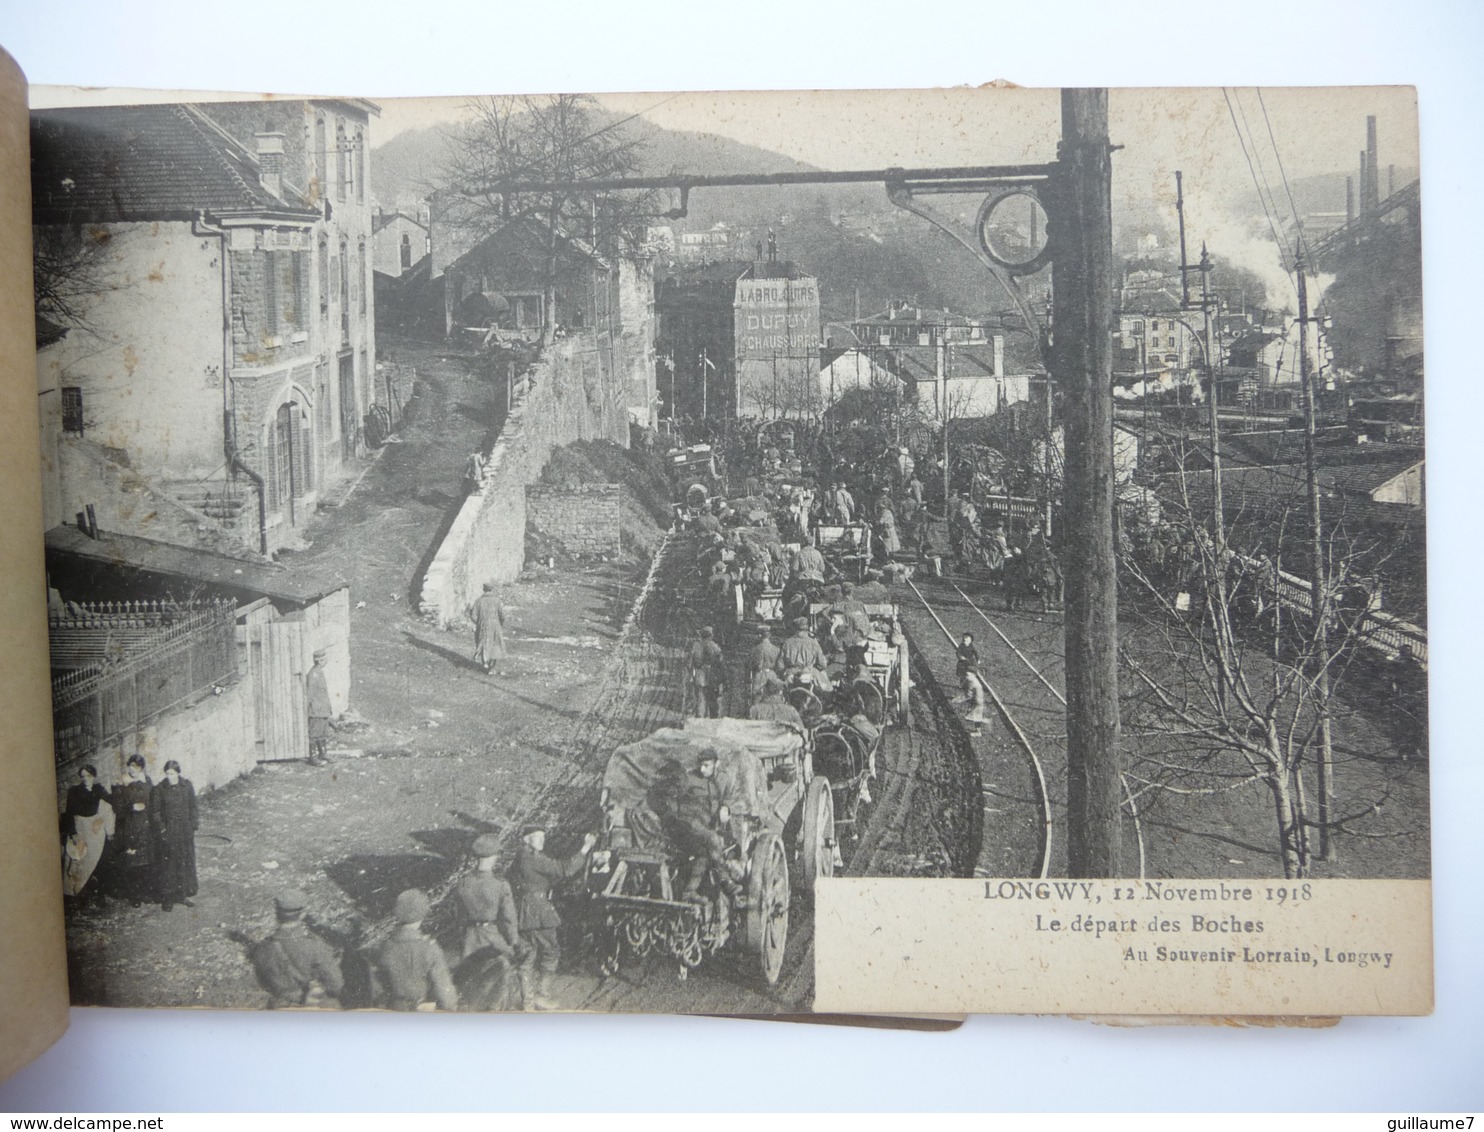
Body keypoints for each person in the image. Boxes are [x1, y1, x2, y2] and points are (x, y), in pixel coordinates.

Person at [508, 824, 596, 1010]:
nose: (542, 840)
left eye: (543, 836)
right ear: (527, 839)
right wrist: (585, 847)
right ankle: (542, 995)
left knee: (527, 955)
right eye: (537, 836)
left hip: (523, 911)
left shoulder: (520, 857)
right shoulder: (533, 858)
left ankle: (527, 1002)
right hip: (539, 911)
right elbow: (565, 869)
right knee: (551, 951)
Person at [454, 834, 522, 1010]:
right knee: (500, 978)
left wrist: (463, 935)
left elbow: (459, 915)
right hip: (492, 937)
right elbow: (509, 918)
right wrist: (513, 941)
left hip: (470, 937)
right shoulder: (500, 884)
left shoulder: (463, 883)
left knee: (470, 983)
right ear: (494, 857)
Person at [251, 889, 345, 1009]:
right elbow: (336, 985)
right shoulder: (313, 945)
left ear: (276, 913)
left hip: (277, 1009)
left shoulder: (262, 948)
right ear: (302, 914)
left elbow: (263, 982)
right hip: (308, 1008)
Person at [376, 889, 458, 1011]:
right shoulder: (429, 947)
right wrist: (451, 1007)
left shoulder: (386, 946)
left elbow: (379, 986)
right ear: (422, 913)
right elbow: (444, 989)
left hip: (393, 1010)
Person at [150, 759, 198, 912]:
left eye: (172, 773)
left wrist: (192, 826)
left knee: (184, 862)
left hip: (184, 832)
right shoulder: (160, 789)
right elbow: (156, 813)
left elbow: (193, 807)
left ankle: (182, 895)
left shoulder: (187, 786)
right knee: (168, 865)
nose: (169, 776)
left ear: (178, 773)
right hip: (169, 833)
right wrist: (162, 830)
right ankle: (168, 898)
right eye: (167, 773)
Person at [109, 754, 156, 907]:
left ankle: (145, 893)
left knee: (146, 861)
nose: (132, 770)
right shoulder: (120, 784)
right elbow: (117, 808)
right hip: (128, 826)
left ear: (141, 768)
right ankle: (134, 896)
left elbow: (153, 801)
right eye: (130, 766)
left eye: (136, 767)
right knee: (132, 862)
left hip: (144, 826)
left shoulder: (147, 782)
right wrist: (131, 807)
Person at [61, 764, 112, 904]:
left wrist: (101, 819)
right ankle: (78, 896)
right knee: (78, 861)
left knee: (97, 861)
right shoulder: (74, 791)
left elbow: (110, 806)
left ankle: (98, 895)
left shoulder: (99, 790)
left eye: (89, 776)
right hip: (80, 830)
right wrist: (73, 833)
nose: (85, 779)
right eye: (83, 776)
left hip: (95, 832)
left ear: (94, 777)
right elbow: (69, 814)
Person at [780, 616, 833, 692]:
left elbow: (780, 665)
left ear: (795, 629)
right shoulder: (813, 643)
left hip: (791, 674)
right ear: (807, 629)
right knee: (826, 690)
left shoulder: (787, 643)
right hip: (808, 673)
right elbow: (823, 664)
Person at [687, 626, 726, 719]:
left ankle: (700, 717)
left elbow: (690, 662)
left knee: (700, 697)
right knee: (712, 697)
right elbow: (721, 663)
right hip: (712, 674)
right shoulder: (715, 646)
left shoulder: (696, 646)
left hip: (699, 673)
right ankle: (711, 718)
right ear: (711, 635)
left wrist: (691, 675)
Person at [471, 582, 508, 677]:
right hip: (495, 625)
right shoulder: (497, 601)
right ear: (492, 589)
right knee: (495, 645)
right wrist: (500, 623)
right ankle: (491, 668)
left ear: (484, 590)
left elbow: (473, 616)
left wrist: (479, 622)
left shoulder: (478, 601)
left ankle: (485, 663)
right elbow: (502, 615)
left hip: (482, 626)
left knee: (483, 644)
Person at [305, 649, 334, 766]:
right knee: (314, 734)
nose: (326, 661)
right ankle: (312, 757)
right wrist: (306, 709)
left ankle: (322, 753)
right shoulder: (314, 674)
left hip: (322, 709)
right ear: (320, 661)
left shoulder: (319, 672)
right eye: (325, 659)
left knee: (322, 733)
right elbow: (310, 693)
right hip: (316, 709)